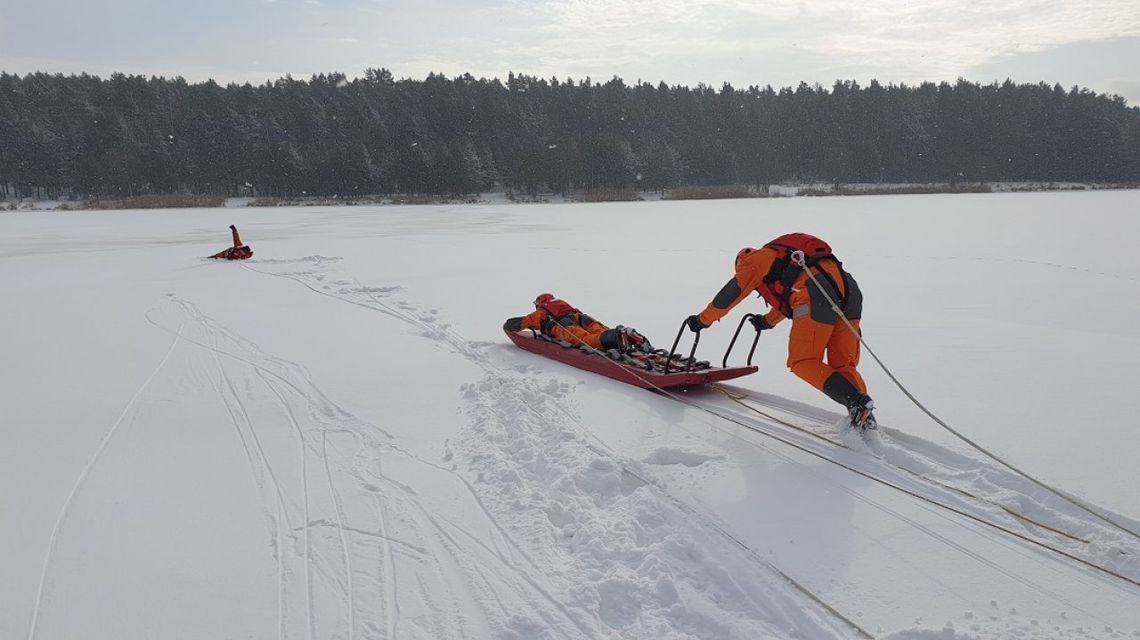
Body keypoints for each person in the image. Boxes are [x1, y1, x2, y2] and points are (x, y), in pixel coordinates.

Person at [685, 233, 876, 430]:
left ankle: (855, 402)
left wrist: (702, 320)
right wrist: (766, 321)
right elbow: (787, 299)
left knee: (803, 361)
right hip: (849, 292)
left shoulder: (753, 261)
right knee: (843, 364)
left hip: (816, 293)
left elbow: (731, 293)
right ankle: (864, 417)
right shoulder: (783, 260)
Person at [504, 293, 646, 353]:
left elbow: (520, 323)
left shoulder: (541, 311)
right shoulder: (562, 304)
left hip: (563, 324)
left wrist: (508, 326)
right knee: (600, 331)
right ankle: (622, 334)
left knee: (586, 340)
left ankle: (616, 337)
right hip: (581, 317)